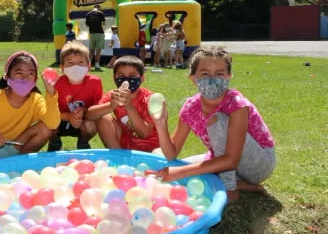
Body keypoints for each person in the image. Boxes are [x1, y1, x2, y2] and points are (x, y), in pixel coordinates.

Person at [156, 47, 276, 202]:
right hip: (225, 159)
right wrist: (161, 124)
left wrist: (179, 172)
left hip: (259, 164)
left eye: (219, 74)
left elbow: (231, 160)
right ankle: (246, 186)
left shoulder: (237, 104)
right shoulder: (190, 107)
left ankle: (230, 190)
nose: (212, 79)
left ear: (229, 77)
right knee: (185, 168)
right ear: (193, 78)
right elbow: (171, 154)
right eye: (205, 74)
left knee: (216, 122)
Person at [0, 51, 60, 160]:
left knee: (45, 128)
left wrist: (51, 94)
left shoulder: (36, 99)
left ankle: (21, 162)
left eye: (31, 73)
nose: (25, 78)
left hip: (18, 146)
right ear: (7, 76)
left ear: (35, 80)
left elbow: (52, 124)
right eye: (19, 73)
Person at [87, 55, 165, 152]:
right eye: (121, 76)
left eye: (132, 76)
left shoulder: (150, 99)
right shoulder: (114, 95)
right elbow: (89, 115)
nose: (126, 79)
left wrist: (129, 107)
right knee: (102, 116)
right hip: (125, 142)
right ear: (114, 78)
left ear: (142, 78)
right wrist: (110, 106)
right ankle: (117, 156)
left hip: (150, 148)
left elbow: (144, 134)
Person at [47, 41, 103, 151]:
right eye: (70, 63)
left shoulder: (95, 82)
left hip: (83, 121)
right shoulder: (56, 83)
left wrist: (84, 112)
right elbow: (49, 111)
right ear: (62, 68)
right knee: (46, 123)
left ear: (88, 66)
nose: (75, 67)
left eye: (80, 62)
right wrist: (68, 116)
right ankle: (54, 142)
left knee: (93, 124)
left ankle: (83, 143)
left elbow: (98, 109)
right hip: (60, 121)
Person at [85, 4, 105, 71]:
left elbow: (87, 25)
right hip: (99, 33)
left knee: (91, 50)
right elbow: (104, 23)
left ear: (93, 8)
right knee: (98, 50)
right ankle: (97, 65)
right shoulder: (100, 13)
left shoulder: (88, 14)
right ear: (99, 8)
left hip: (92, 33)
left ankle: (88, 66)